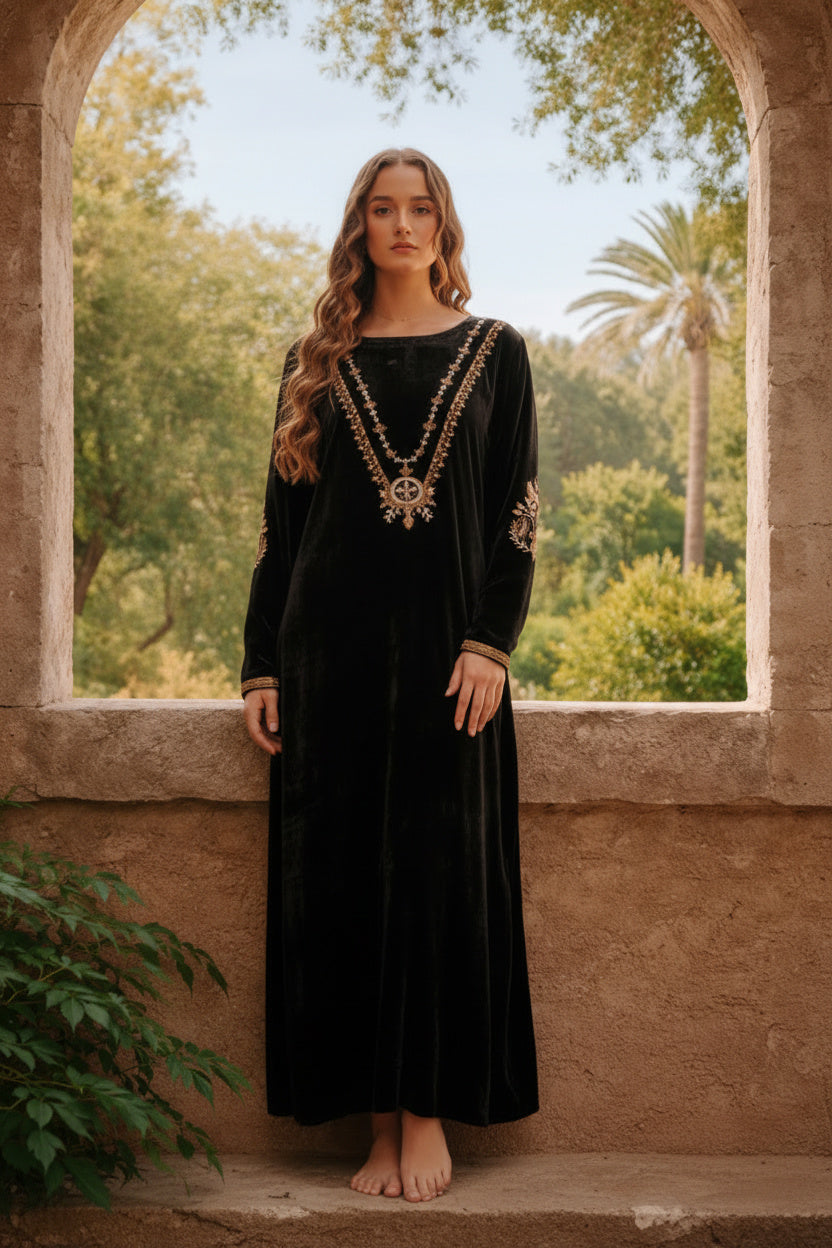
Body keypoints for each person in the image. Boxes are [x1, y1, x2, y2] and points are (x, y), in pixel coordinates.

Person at [241, 147, 539, 1204]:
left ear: (443, 225)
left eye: (420, 208)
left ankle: (427, 1120)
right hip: (329, 665)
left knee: (436, 883)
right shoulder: (312, 361)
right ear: (359, 225)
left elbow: (517, 519)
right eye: (382, 208)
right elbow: (281, 534)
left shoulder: (497, 352)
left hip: (453, 668)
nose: (402, 224)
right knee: (346, 891)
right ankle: (376, 1126)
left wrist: (488, 642)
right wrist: (262, 664)